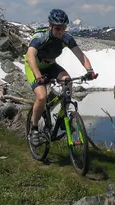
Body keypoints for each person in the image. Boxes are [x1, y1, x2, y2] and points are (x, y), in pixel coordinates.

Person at [25, 8, 98, 146]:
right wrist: (39, 76)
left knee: (68, 81)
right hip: (33, 66)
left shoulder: (66, 38)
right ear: (50, 26)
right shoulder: (40, 37)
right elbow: (30, 56)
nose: (60, 31)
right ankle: (33, 129)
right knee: (41, 96)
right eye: (58, 28)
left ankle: (64, 117)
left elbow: (80, 55)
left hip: (51, 65)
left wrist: (90, 71)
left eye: (63, 28)